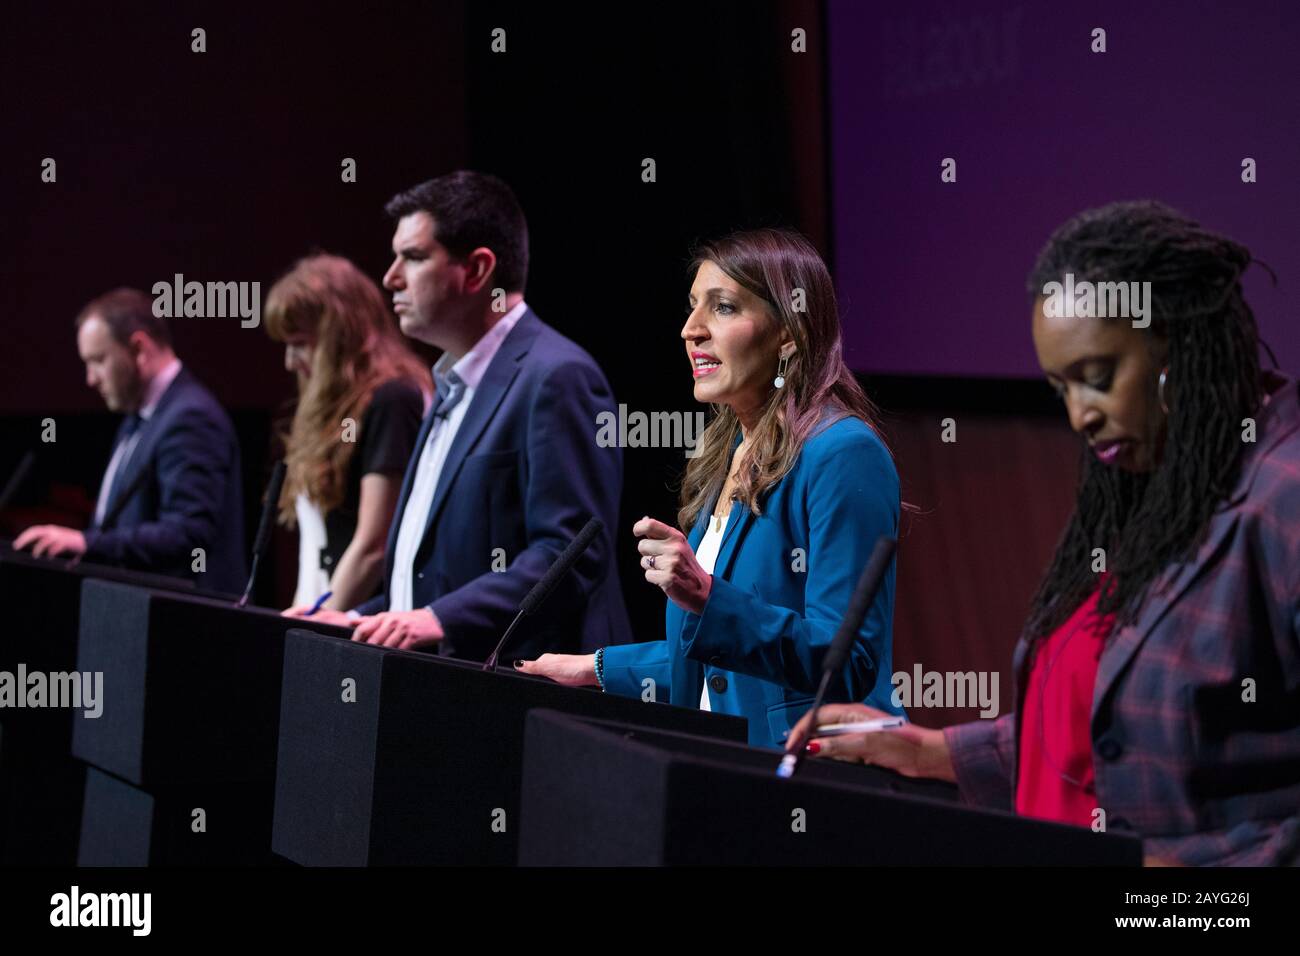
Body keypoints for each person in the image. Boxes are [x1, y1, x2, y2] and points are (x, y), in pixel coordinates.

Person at [788, 201, 1300, 866]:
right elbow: (1113, 728)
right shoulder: (1156, 475)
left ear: (1184, 342)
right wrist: (937, 752)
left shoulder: (1283, 494)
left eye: (1098, 378)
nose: (1080, 416)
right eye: (1061, 389)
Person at [517, 228, 904, 749]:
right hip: (720, 767)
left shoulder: (842, 455)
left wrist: (704, 592)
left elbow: (848, 659)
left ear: (789, 333)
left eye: (721, 308)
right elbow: (718, 654)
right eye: (692, 307)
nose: (690, 330)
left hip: (810, 775)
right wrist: (595, 667)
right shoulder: (728, 456)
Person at [291, 171, 631, 661]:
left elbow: (572, 555)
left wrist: (437, 619)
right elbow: (436, 574)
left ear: (476, 270)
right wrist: (361, 618)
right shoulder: (451, 382)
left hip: (527, 698)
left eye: (412, 257)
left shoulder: (558, 376)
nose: (390, 277)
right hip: (450, 686)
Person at [15, 288, 247, 594]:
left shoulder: (190, 417)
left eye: (98, 360)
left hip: (181, 625)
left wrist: (86, 543)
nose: (90, 378)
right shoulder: (140, 414)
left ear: (139, 349)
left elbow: (187, 534)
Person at [266, 253, 430, 613]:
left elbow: (375, 545)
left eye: (300, 343)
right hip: (327, 619)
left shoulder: (393, 399)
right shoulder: (329, 408)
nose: (290, 362)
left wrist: (315, 629)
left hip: (364, 628)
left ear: (340, 334)